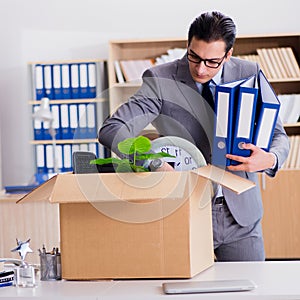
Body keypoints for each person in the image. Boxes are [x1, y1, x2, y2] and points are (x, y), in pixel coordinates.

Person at [98, 11, 289, 261]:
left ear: (228, 55)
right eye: (194, 57)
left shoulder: (249, 72)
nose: (200, 69)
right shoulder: (160, 79)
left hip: (242, 217)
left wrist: (270, 159)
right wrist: (151, 161)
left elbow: (278, 134)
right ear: (188, 45)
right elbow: (113, 129)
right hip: (184, 209)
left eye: (212, 62)